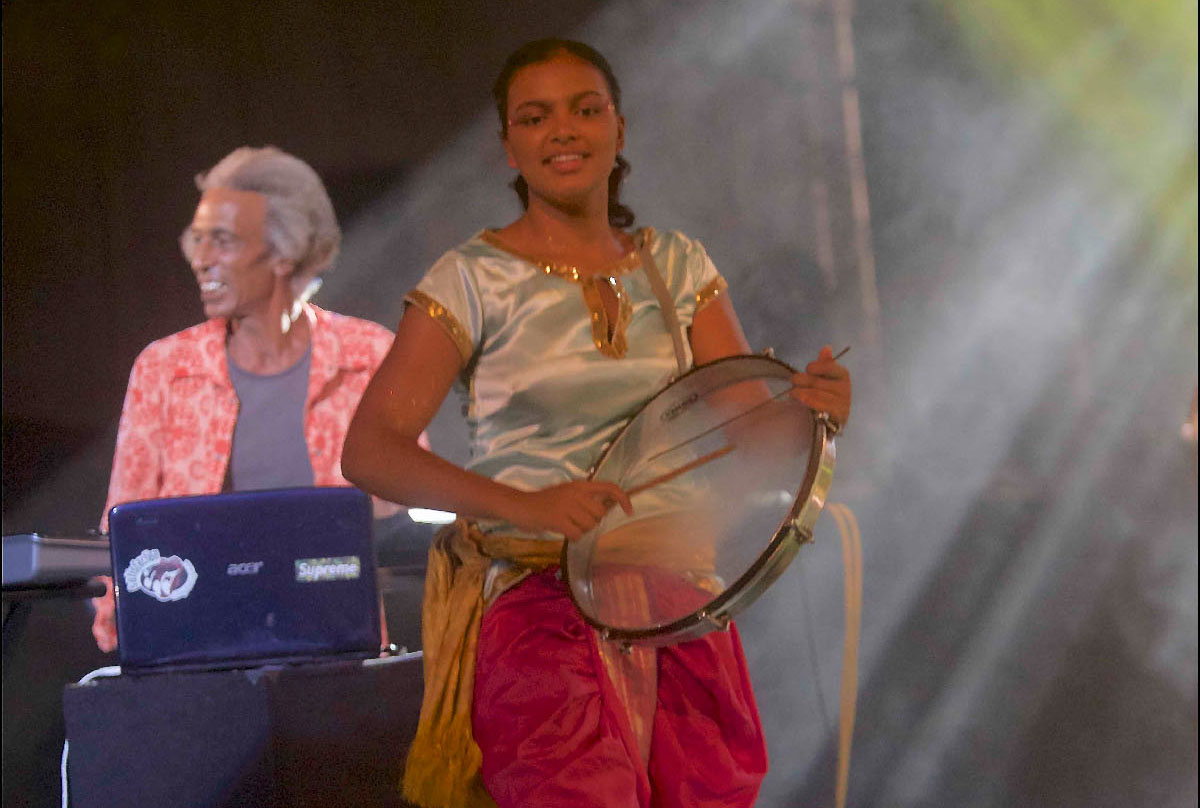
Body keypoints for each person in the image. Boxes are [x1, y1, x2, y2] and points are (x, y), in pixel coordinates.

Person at [342, 39, 852, 808]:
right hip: (543, 606)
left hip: (681, 603)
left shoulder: (679, 266)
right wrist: (527, 506)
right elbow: (369, 451)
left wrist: (816, 412)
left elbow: (756, 435)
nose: (564, 131)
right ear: (508, 148)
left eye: (586, 109)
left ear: (620, 129)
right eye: (535, 116)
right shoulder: (472, 278)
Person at [91, 145, 420, 653]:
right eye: (197, 241)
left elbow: (410, 509)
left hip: (339, 645)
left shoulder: (369, 356)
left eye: (221, 241)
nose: (201, 260)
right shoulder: (164, 369)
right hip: (196, 648)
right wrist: (123, 632)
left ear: (285, 250)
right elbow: (123, 526)